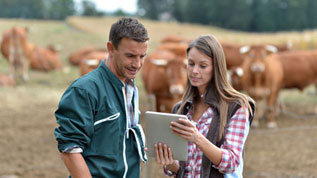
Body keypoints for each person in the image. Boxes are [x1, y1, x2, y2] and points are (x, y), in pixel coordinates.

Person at [54, 17, 149, 178]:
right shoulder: (84, 90)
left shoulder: (131, 88)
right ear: (111, 48)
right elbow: (70, 150)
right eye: (131, 56)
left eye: (142, 56)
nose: (137, 64)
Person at [155, 35, 255, 178]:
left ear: (216, 68)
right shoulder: (180, 109)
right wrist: (169, 162)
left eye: (203, 66)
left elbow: (232, 163)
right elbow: (180, 170)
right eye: (190, 64)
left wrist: (197, 138)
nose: (195, 71)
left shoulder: (236, 107)